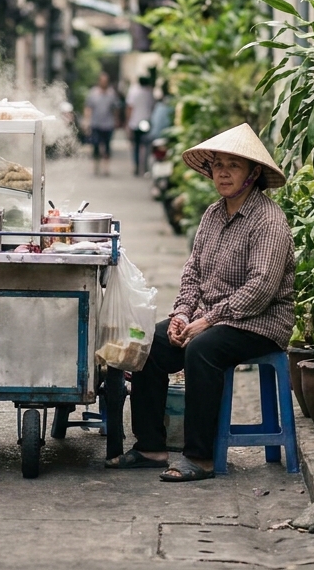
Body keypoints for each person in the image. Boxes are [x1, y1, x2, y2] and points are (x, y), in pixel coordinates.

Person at [105, 123, 295, 482]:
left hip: (260, 323)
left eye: (233, 166)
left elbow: (261, 288)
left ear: (253, 174)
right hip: (213, 318)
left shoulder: (268, 220)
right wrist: (181, 315)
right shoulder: (212, 215)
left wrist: (206, 321)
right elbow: (193, 274)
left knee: (202, 350)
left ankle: (200, 457)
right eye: (218, 165)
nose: (222, 173)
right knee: (151, 342)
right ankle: (150, 447)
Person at [83, 72, 122, 176]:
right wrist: (87, 121)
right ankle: (96, 167)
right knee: (95, 146)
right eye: (102, 81)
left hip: (108, 124)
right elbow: (88, 108)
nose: (104, 83)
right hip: (96, 124)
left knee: (107, 147)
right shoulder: (93, 93)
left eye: (106, 81)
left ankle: (106, 168)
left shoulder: (111, 93)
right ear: (99, 81)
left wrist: (116, 120)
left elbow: (116, 108)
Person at [125, 75, 156, 177]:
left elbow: (130, 107)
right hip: (146, 122)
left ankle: (137, 167)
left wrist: (128, 122)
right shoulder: (150, 93)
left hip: (135, 123)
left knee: (136, 146)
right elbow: (153, 107)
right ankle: (145, 167)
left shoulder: (133, 92)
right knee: (146, 146)